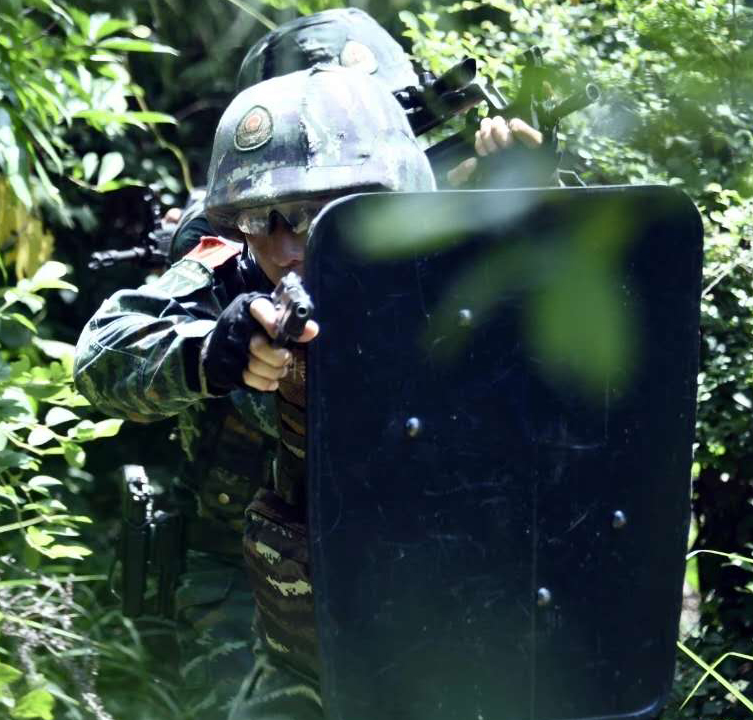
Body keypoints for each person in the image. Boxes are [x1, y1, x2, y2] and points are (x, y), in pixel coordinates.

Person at [81, 10, 544, 717]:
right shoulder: (230, 268)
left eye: (312, 214)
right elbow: (103, 355)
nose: (283, 246)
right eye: (260, 218)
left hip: (430, 566)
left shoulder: (440, 252)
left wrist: (530, 208)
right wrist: (210, 352)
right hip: (248, 577)